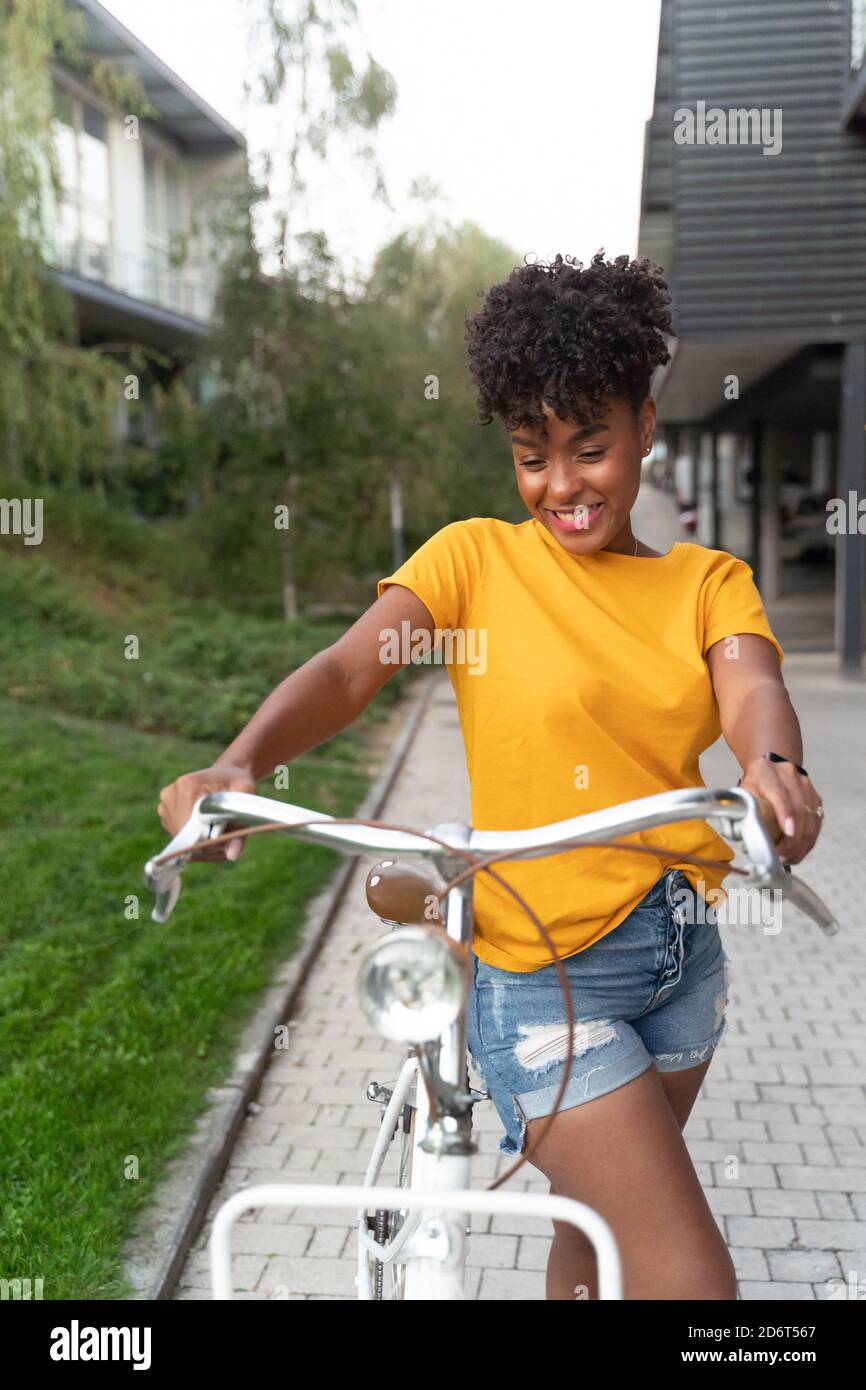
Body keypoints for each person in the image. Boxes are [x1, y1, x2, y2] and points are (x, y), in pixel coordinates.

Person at [157, 250, 824, 1301]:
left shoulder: (706, 581)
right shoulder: (474, 560)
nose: (560, 484)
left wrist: (770, 767)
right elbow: (345, 669)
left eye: (590, 448)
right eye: (530, 456)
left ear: (645, 425)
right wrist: (242, 759)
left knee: (595, 1242)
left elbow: (748, 685)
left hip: (678, 956)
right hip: (542, 979)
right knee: (690, 1287)